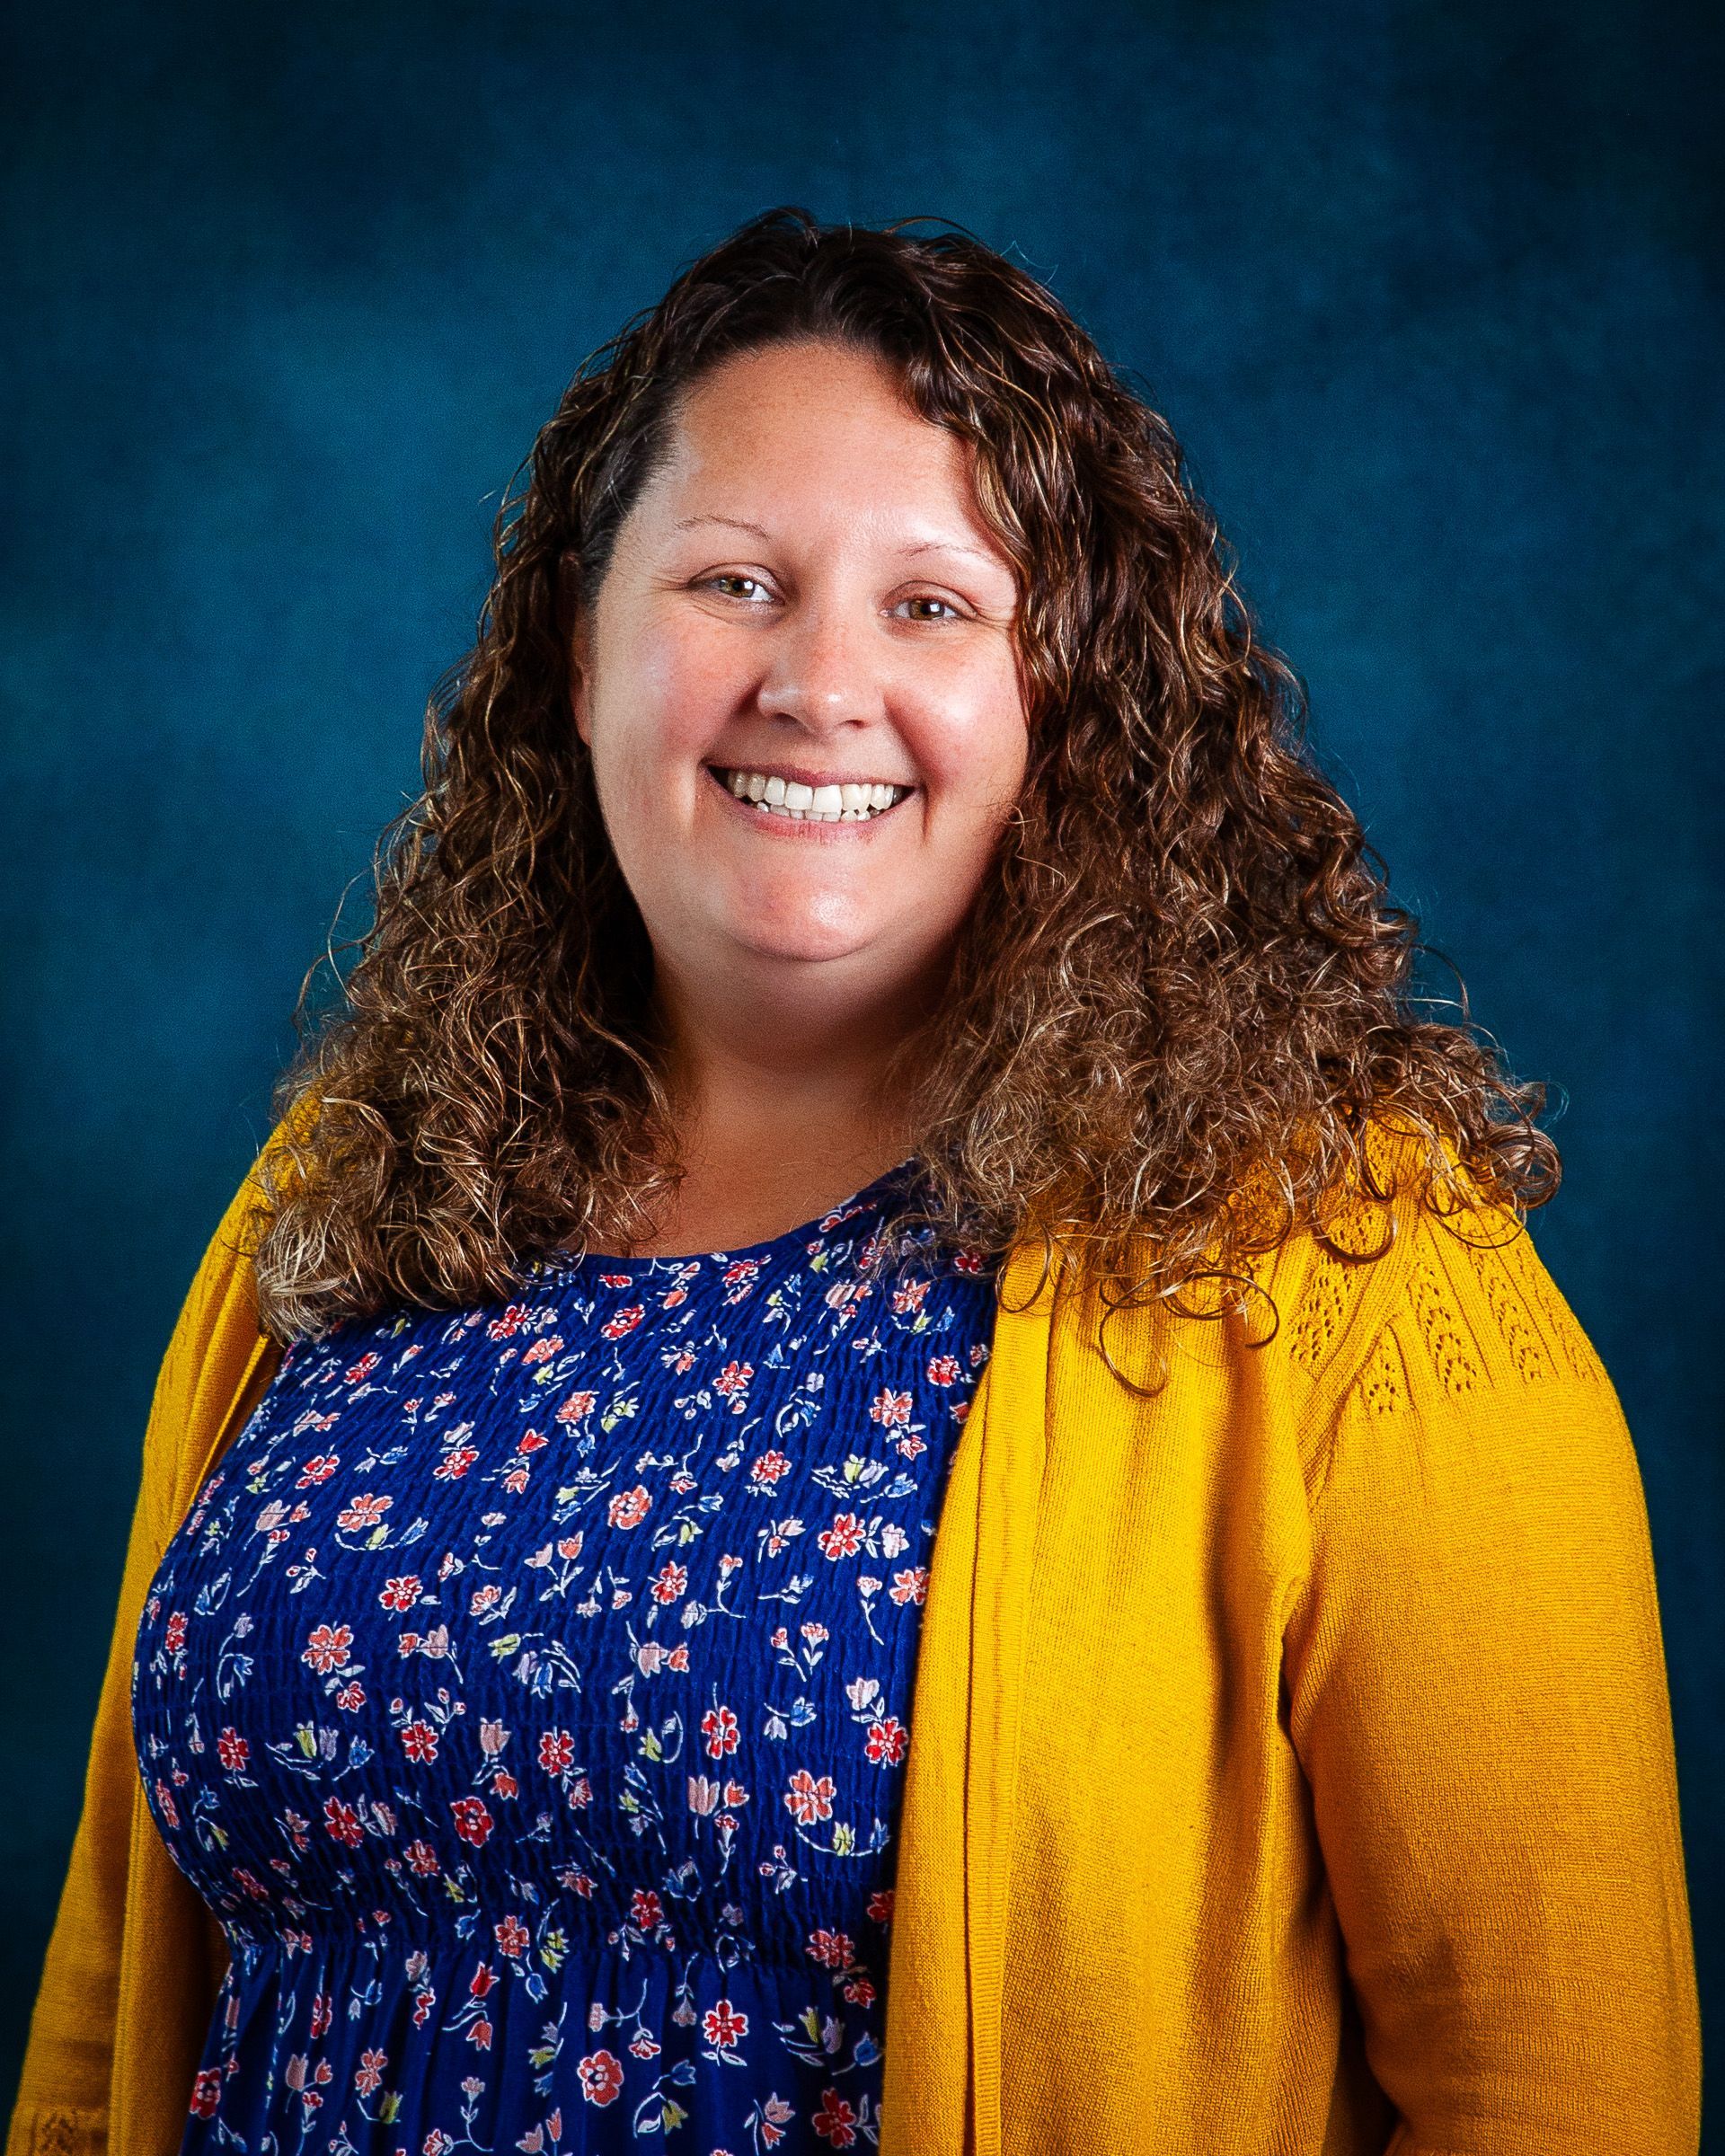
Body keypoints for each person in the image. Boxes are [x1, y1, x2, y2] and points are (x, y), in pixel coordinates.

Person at [8, 208, 1700, 2156]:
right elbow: (109, 2009)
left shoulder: (1350, 1265)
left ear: (1062, 693)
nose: (817, 684)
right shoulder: (347, 1196)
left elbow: (1564, 2097)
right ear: (578, 650)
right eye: (734, 581)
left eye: (933, 608)